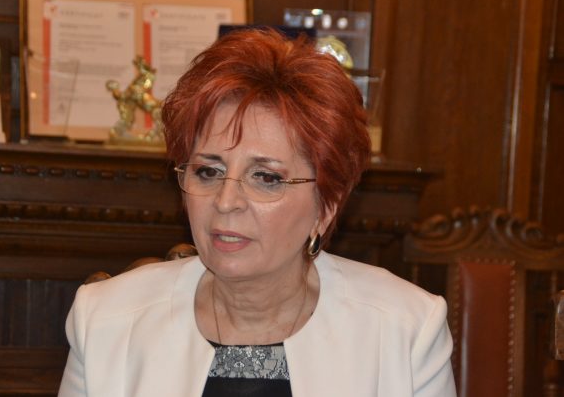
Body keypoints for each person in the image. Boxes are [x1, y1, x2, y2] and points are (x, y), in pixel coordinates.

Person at [58, 28, 456, 397]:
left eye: (266, 177)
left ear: (326, 206)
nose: (226, 201)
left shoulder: (405, 331)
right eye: (208, 171)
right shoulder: (105, 321)